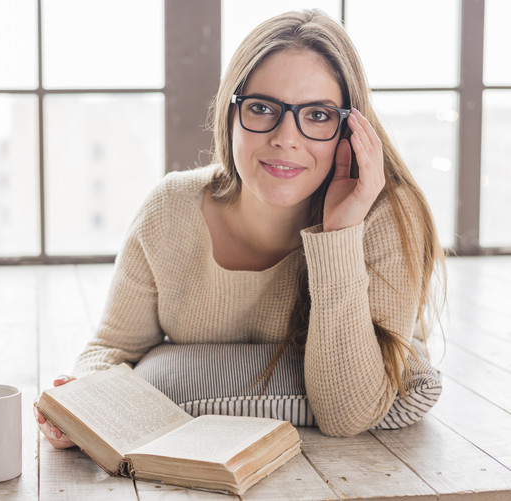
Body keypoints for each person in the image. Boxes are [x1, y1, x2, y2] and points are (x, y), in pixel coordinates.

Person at [34, 9, 445, 446]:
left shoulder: (385, 214)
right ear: (231, 115)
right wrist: (83, 403)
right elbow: (112, 349)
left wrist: (340, 234)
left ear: (349, 128)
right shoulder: (171, 208)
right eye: (263, 108)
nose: (286, 138)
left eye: (318, 116)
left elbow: (348, 414)